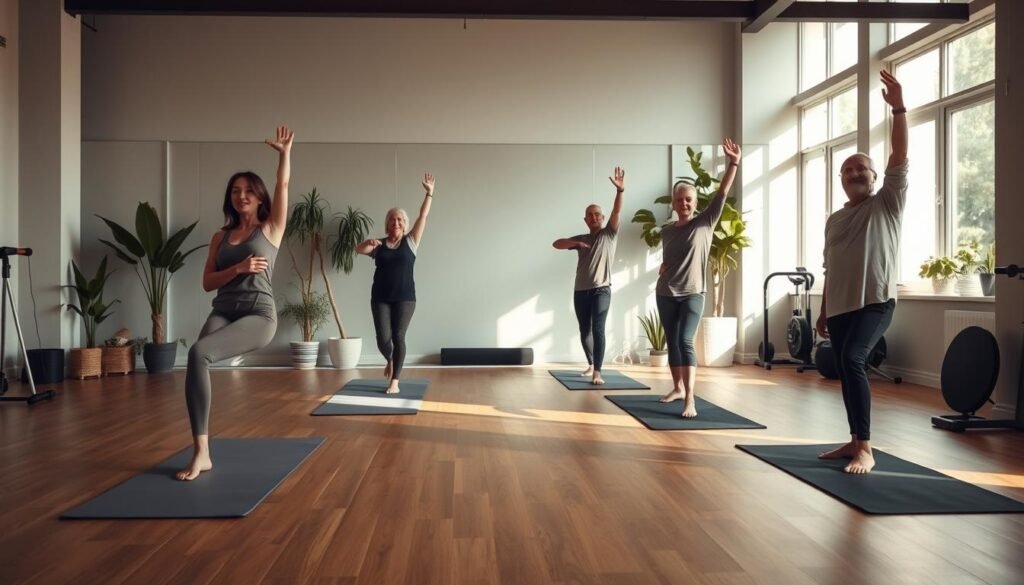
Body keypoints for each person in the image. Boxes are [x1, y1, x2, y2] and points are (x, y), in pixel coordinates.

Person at [177, 126, 293, 481]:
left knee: (198, 353)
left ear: (259, 198)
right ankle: (203, 453)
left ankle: (201, 454)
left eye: (248, 191)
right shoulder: (220, 237)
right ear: (230, 198)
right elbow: (207, 282)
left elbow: (284, 186)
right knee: (197, 358)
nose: (241, 195)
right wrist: (238, 267)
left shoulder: (270, 229)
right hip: (224, 310)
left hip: (259, 314)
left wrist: (284, 154)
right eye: (235, 191)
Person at [816, 70, 908, 474]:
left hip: (875, 301)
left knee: (854, 361)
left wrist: (899, 109)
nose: (855, 174)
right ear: (841, 180)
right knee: (843, 367)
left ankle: (866, 448)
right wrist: (821, 310)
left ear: (874, 178)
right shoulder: (834, 220)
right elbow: (830, 269)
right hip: (837, 307)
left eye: (862, 170)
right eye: (848, 171)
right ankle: (854, 440)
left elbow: (899, 155)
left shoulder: (887, 203)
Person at [656, 139, 741, 418]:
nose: (684, 204)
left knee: (685, 340)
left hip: (693, 292)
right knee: (672, 340)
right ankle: (677, 387)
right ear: (673, 203)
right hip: (666, 292)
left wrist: (733, 163)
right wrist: (664, 267)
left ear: (695, 202)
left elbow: (722, 192)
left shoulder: (705, 221)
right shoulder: (667, 231)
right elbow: (671, 257)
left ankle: (690, 397)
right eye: (679, 200)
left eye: (688, 199)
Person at [356, 173, 435, 394]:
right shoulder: (378, 244)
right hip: (380, 296)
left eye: (400, 219)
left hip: (405, 297)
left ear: (405, 224)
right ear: (388, 223)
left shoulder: (411, 241)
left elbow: (423, 216)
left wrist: (429, 193)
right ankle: (389, 358)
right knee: (383, 339)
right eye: (393, 219)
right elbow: (358, 250)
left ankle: (395, 382)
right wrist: (367, 242)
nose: (396, 222)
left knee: (399, 336)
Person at [552, 167, 625, 385]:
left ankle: (598, 372)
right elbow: (556, 243)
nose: (594, 217)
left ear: (602, 218)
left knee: (598, 329)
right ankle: (591, 363)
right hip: (580, 290)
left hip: (602, 289)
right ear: (586, 220)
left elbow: (617, 213)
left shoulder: (608, 234)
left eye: (597, 214)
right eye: (590, 215)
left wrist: (620, 191)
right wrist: (576, 243)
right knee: (584, 330)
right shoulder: (581, 237)